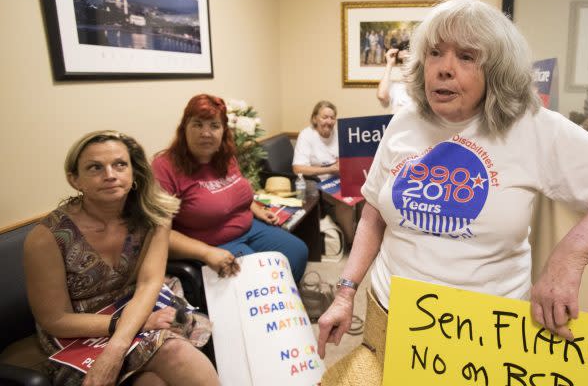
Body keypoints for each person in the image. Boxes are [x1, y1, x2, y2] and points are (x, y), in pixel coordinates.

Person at [316, 0, 588, 384]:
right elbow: (375, 211)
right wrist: (345, 293)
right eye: (434, 53)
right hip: (389, 324)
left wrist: (568, 258)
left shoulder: (533, 127)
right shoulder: (404, 122)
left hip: (481, 341)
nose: (444, 69)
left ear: (496, 70)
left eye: (466, 56)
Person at [24, 130, 219, 385]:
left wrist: (118, 346)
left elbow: (149, 283)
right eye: (95, 167)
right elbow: (56, 320)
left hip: (134, 307)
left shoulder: (154, 216)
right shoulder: (46, 238)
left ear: (133, 172)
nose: (110, 175)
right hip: (77, 333)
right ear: (75, 180)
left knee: (175, 353)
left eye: (120, 164)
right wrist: (137, 325)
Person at [152, 94, 308, 283]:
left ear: (223, 130)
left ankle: (286, 300)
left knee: (297, 251)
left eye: (214, 126)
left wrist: (256, 209)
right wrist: (206, 252)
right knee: (261, 277)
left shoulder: (225, 157)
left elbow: (234, 193)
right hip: (211, 242)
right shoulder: (165, 167)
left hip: (249, 228)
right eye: (198, 124)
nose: (206, 133)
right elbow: (157, 234)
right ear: (184, 127)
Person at [293, 101, 357, 244]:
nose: (329, 121)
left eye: (332, 117)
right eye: (324, 117)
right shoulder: (307, 135)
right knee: (345, 203)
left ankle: (363, 236)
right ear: (315, 118)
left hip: (341, 177)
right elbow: (298, 168)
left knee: (367, 195)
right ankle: (351, 242)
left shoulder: (339, 133)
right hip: (319, 182)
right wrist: (330, 169)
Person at [376, 44, 414, 112]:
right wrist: (389, 64)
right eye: (402, 61)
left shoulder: (423, 86)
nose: (405, 64)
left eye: (408, 60)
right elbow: (382, 96)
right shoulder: (395, 86)